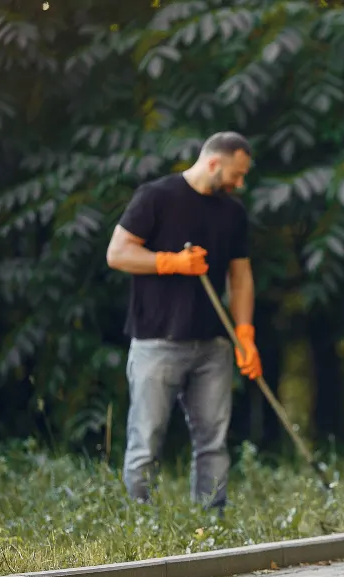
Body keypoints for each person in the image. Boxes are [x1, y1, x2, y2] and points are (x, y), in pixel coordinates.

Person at [105, 131, 262, 513]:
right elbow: (118, 253)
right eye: (236, 174)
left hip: (213, 345)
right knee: (146, 438)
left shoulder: (232, 212)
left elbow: (240, 276)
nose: (239, 183)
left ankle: (213, 520)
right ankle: (138, 523)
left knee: (213, 440)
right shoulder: (156, 197)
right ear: (214, 162)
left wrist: (245, 332)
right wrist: (168, 261)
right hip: (156, 341)